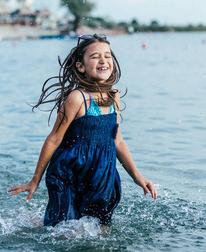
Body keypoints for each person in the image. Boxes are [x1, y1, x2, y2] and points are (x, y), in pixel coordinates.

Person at [8, 34, 157, 227]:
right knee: (65, 231)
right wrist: (35, 179)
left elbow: (117, 141)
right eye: (95, 56)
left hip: (102, 175)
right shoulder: (76, 98)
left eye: (107, 55)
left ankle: (37, 224)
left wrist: (138, 177)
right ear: (81, 66)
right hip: (69, 173)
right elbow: (54, 139)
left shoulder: (114, 96)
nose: (103, 60)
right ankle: (28, 228)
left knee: (99, 230)